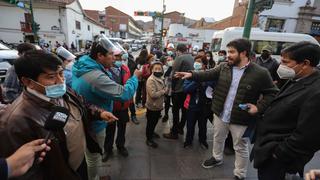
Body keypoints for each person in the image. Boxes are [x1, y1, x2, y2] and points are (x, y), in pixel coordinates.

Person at [0, 50, 118, 180]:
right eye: (51, 77)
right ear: (28, 82)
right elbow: (27, 172)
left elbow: (82, 104)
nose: (60, 80)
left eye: (61, 73)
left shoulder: (60, 90)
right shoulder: (16, 122)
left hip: (79, 162)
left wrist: (99, 113)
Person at [175, 39, 278, 180]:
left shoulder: (260, 73)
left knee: (240, 147)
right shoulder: (224, 66)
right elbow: (208, 74)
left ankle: (239, 174)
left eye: (231, 52)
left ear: (243, 53)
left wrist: (258, 107)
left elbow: (272, 93)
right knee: (218, 138)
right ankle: (217, 158)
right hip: (220, 113)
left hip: (241, 117)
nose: (227, 55)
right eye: (228, 51)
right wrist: (192, 74)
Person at [72, 35, 140, 180]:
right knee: (94, 157)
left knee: (89, 154)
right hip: (94, 124)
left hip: (86, 117)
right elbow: (124, 93)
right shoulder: (96, 76)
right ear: (99, 56)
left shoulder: (83, 64)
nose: (114, 58)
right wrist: (135, 78)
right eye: (110, 54)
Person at [252, 42, 320, 180]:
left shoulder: (316, 92)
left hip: (281, 161)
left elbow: (307, 136)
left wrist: (278, 154)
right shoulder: (296, 77)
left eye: (285, 62)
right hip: (267, 149)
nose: (280, 66)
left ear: (305, 64)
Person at [104, 50, 132, 161]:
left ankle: (120, 146)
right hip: (110, 106)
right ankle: (108, 149)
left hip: (123, 106)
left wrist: (130, 102)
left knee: (122, 127)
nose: (118, 59)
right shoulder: (105, 70)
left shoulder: (125, 69)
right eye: (115, 56)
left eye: (120, 56)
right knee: (109, 129)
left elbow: (129, 85)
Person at [163, 43, 194, 140]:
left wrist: (172, 89)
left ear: (178, 51)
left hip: (179, 89)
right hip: (188, 88)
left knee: (175, 111)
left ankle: (174, 132)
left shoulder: (179, 58)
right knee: (184, 110)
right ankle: (180, 128)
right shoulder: (191, 58)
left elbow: (174, 75)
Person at [183, 55, 211, 149]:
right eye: (196, 61)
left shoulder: (209, 76)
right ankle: (188, 141)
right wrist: (197, 80)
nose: (196, 63)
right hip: (192, 105)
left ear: (204, 65)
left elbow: (212, 87)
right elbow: (186, 89)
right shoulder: (190, 75)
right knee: (190, 125)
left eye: (199, 62)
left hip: (204, 105)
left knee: (203, 125)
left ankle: (203, 140)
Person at [145, 61, 165, 148]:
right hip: (152, 106)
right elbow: (153, 94)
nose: (157, 70)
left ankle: (152, 132)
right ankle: (149, 139)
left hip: (158, 105)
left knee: (155, 121)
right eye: (155, 68)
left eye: (159, 69)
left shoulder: (160, 77)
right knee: (150, 123)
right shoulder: (151, 80)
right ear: (152, 70)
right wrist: (163, 91)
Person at [122, 43, 139, 124]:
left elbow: (136, 72)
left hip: (129, 83)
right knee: (121, 101)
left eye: (126, 49)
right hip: (119, 84)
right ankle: (123, 116)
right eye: (123, 49)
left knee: (131, 100)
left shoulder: (132, 61)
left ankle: (133, 115)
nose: (124, 50)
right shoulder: (116, 61)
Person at [162, 55, 173, 122]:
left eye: (170, 60)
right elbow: (165, 75)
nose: (169, 61)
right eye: (168, 60)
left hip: (172, 87)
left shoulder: (175, 68)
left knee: (171, 101)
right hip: (165, 86)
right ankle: (165, 114)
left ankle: (167, 114)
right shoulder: (164, 67)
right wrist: (170, 67)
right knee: (166, 101)